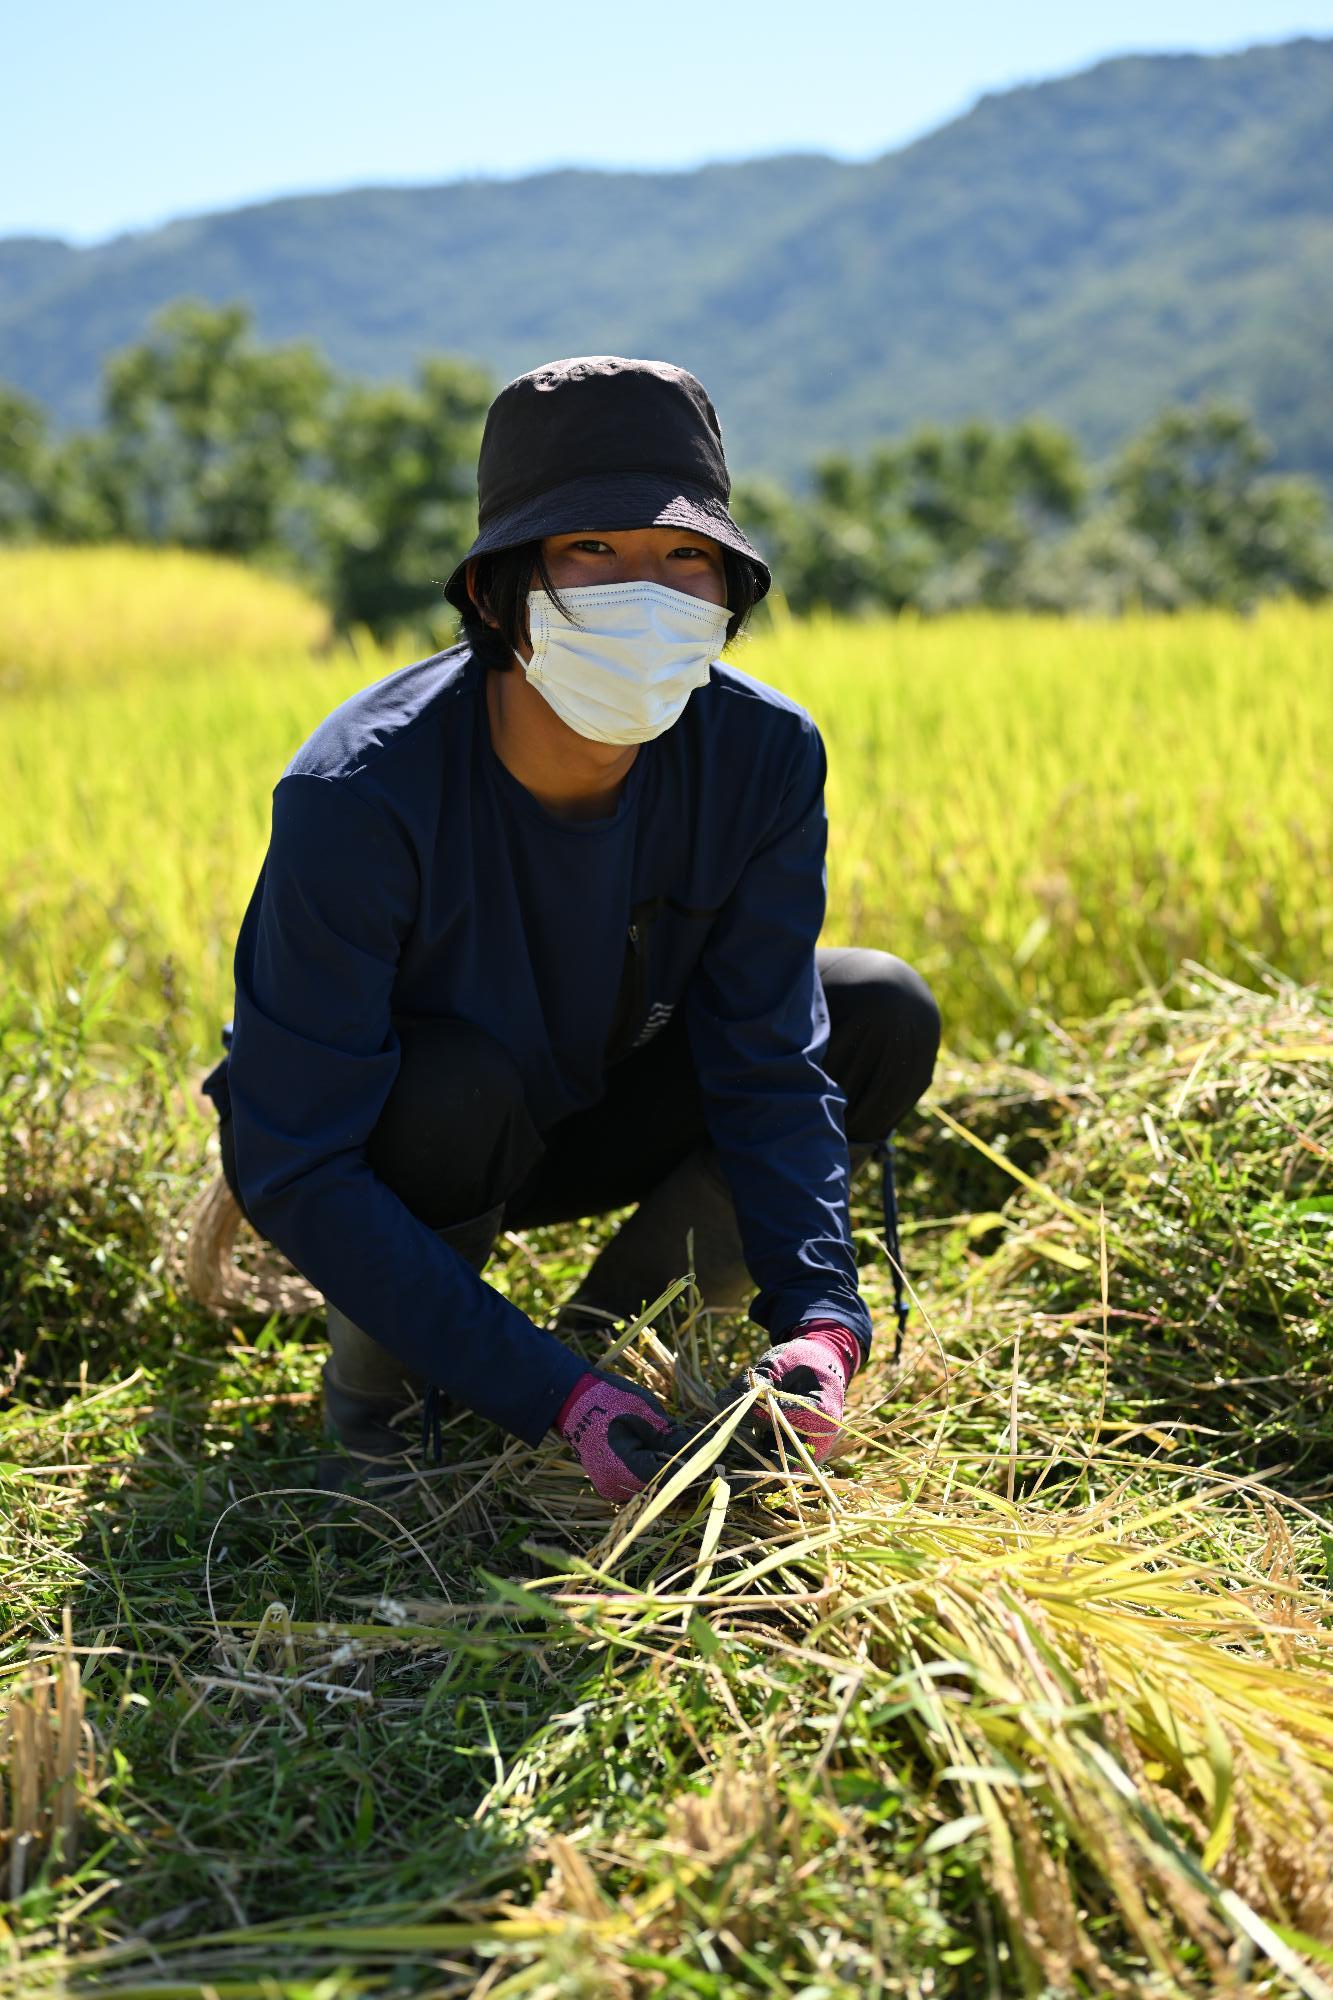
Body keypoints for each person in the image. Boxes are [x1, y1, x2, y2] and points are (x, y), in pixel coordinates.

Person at [199, 354, 940, 1504]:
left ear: (727, 593)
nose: (646, 592)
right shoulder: (362, 793)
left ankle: (622, 1350)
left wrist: (823, 1322)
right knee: (453, 1085)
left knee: (876, 1012)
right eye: (593, 548)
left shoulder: (762, 758)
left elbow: (767, 1060)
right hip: (421, 1146)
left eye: (685, 555)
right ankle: (391, 1412)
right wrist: (550, 1394)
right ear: (500, 591)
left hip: (606, 1099)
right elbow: (298, 1159)